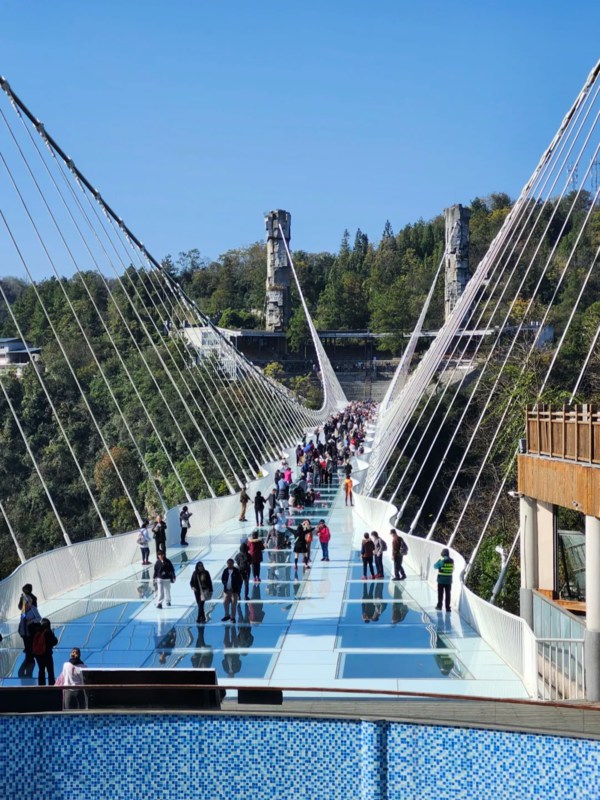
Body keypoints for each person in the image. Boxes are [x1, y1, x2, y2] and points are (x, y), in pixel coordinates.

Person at [33, 617, 58, 686]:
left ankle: (41, 685)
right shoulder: (48, 632)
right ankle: (51, 685)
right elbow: (54, 642)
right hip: (47, 654)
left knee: (41, 670)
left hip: (38, 655)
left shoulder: (37, 631)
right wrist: (52, 633)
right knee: (50, 670)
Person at [18, 585, 41, 662]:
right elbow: (22, 614)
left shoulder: (33, 604)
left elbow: (38, 617)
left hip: (30, 629)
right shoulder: (23, 608)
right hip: (24, 629)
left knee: (29, 644)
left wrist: (31, 621)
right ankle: (29, 656)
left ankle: (30, 658)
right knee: (27, 643)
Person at [434, 547, 455, 612]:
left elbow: (435, 566)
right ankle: (448, 608)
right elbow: (453, 569)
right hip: (449, 581)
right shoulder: (452, 560)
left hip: (441, 580)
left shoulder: (441, 560)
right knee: (448, 594)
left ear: (442, 553)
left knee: (440, 594)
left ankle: (439, 606)